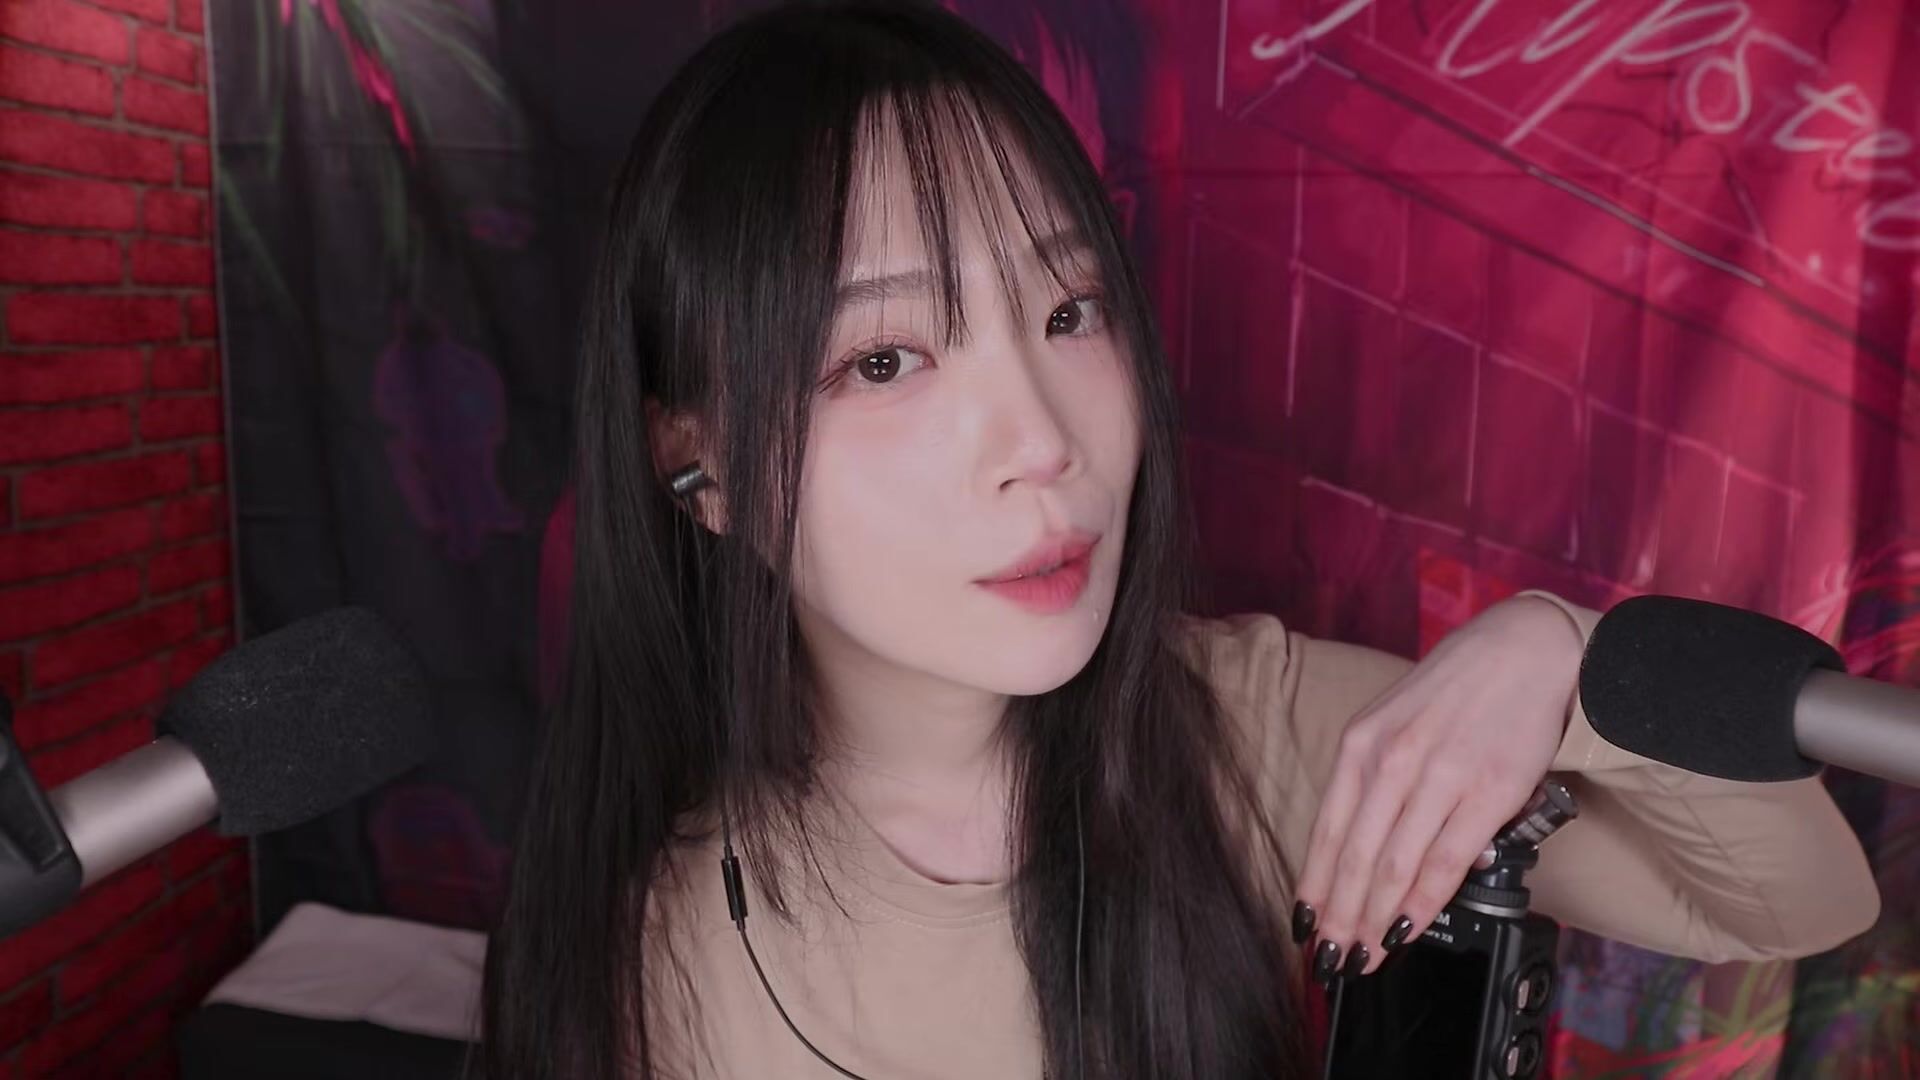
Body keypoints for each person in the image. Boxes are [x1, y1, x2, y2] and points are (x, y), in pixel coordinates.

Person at [478, 2, 1881, 1077]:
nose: (1043, 441)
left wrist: (1569, 661)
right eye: (886, 360)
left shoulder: (1250, 735)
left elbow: (1788, 904)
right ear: (699, 464)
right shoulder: (633, 929)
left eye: (1068, 312)